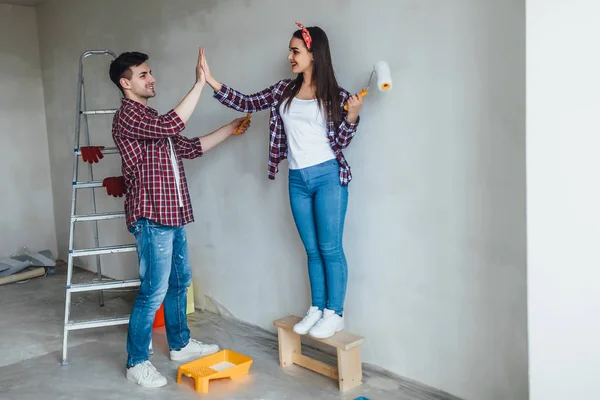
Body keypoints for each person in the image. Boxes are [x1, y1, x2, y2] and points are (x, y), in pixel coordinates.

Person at [201, 23, 363, 339]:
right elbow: (247, 103)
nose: (289, 56)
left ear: (314, 54)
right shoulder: (282, 91)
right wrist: (211, 81)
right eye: (290, 50)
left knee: (330, 248)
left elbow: (341, 141)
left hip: (329, 176)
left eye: (295, 51)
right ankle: (317, 308)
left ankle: (335, 313)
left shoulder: (337, 96)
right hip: (298, 180)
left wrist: (352, 116)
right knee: (312, 250)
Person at [109, 49, 250, 388]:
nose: (151, 78)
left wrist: (230, 129)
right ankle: (136, 362)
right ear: (125, 83)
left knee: (179, 281)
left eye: (150, 72)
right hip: (152, 217)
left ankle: (180, 344)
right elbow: (172, 124)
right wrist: (200, 83)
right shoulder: (128, 116)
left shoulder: (151, 118)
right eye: (143, 75)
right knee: (153, 291)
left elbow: (189, 146)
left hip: (171, 215)